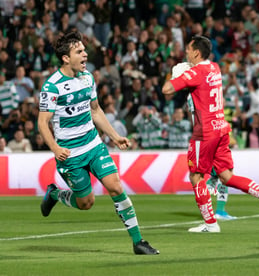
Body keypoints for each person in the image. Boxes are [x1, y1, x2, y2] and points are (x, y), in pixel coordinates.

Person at [37, 31, 159, 255]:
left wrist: (114, 136)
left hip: (93, 145)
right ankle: (54, 194)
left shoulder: (88, 77)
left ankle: (138, 242)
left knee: (115, 186)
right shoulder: (52, 86)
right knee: (86, 203)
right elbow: (42, 123)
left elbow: (95, 110)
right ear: (66, 58)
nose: (85, 54)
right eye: (79, 51)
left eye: (84, 50)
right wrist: (55, 148)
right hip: (70, 153)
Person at [162, 35, 259, 233]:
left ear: (196, 52)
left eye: (188, 49)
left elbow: (166, 89)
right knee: (226, 176)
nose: (185, 52)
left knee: (196, 176)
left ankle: (210, 224)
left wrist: (175, 76)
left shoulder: (197, 72)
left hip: (205, 130)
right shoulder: (215, 68)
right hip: (221, 127)